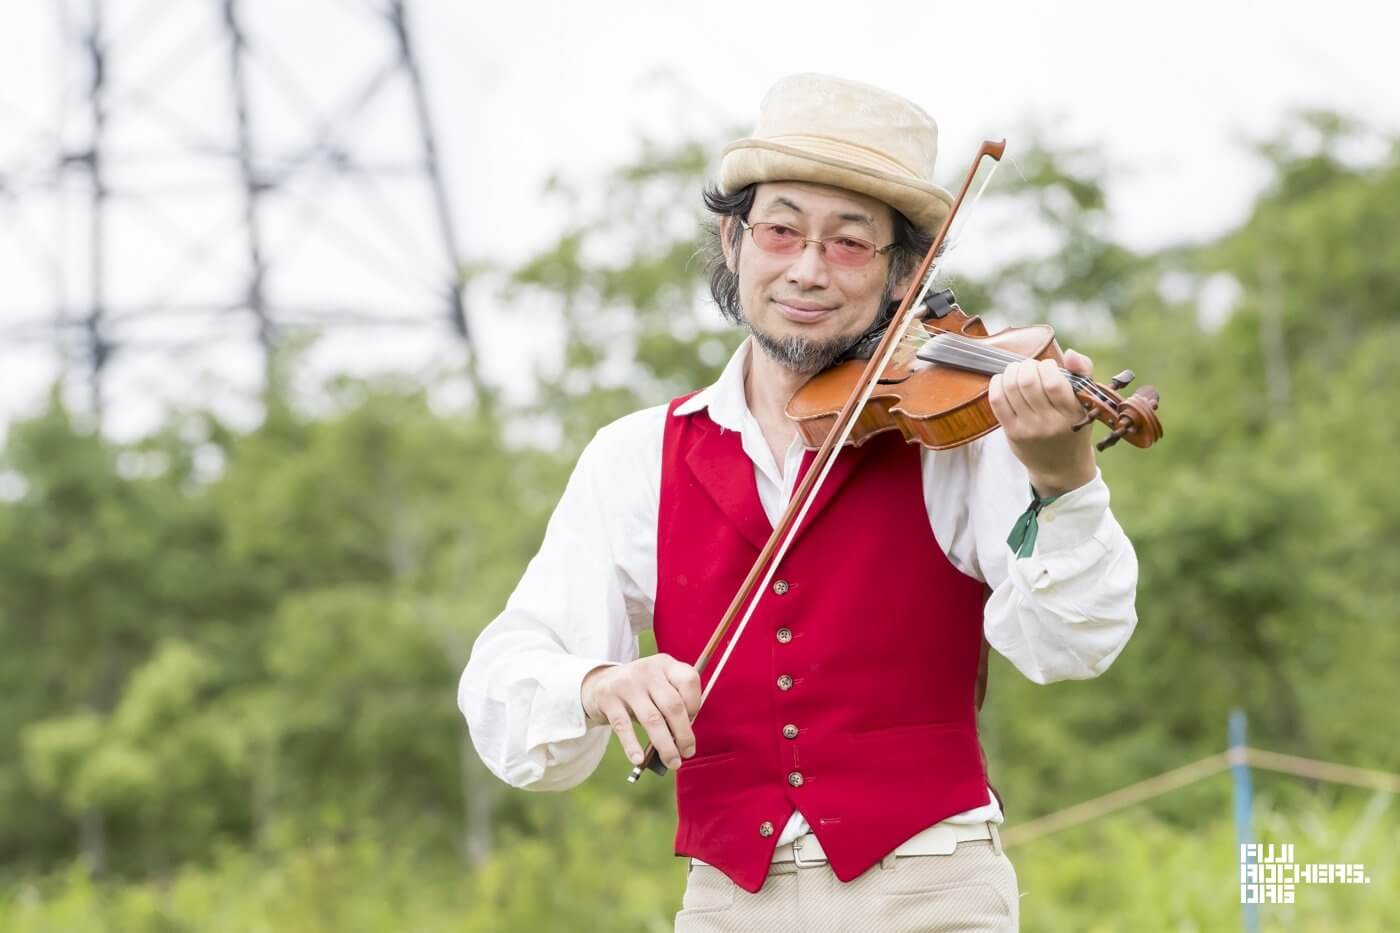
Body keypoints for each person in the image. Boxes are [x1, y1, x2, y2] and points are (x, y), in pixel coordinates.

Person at [458, 72, 1139, 932]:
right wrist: (597, 679)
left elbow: (1073, 645)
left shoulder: (955, 434)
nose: (809, 270)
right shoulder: (635, 457)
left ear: (903, 274)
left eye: (851, 243)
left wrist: (1063, 478)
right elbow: (507, 675)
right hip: (726, 904)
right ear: (733, 239)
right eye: (781, 231)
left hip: (934, 891)